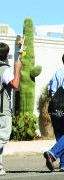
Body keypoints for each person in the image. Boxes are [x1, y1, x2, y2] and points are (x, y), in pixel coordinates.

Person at [0, 43, 21, 176]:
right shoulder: (4, 69)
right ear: (7, 55)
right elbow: (14, 84)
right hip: (3, 110)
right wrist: (17, 69)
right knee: (3, 136)